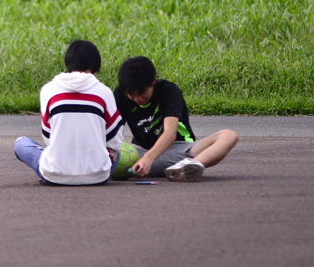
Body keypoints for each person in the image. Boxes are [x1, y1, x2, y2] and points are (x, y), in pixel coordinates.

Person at [14, 40, 122, 185]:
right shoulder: (104, 91)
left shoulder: (49, 90)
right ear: (95, 66)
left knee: (21, 144)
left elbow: (48, 136)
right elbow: (114, 137)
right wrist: (109, 148)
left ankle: (47, 170)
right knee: (118, 152)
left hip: (54, 176)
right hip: (98, 177)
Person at [114, 56, 238, 182]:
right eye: (132, 95)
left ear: (153, 81)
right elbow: (113, 131)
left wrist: (148, 159)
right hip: (139, 155)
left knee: (229, 135)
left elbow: (170, 133)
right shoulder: (120, 94)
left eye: (142, 92)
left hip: (179, 152)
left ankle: (188, 167)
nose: (138, 99)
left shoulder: (169, 91)